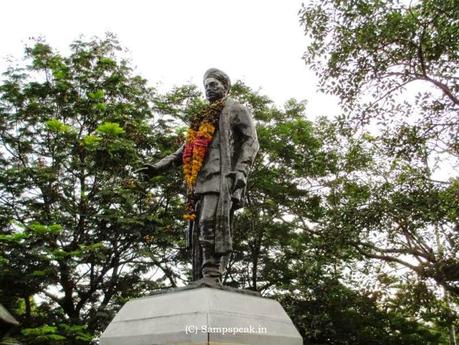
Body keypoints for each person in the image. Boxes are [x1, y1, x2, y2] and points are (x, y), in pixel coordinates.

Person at [139, 68, 259, 284]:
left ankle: (212, 273)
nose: (209, 90)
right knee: (200, 228)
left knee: (208, 222)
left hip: (221, 177)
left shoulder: (236, 109)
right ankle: (204, 274)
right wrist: (157, 168)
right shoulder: (201, 120)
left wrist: (241, 170)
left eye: (213, 85)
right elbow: (182, 153)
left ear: (225, 86)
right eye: (206, 86)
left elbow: (251, 142)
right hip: (200, 181)